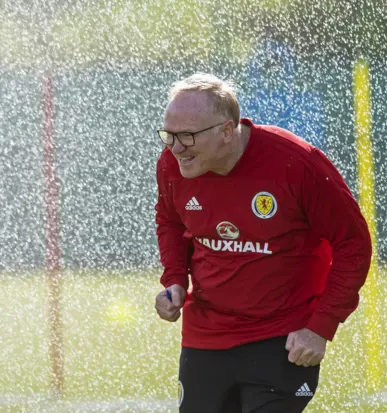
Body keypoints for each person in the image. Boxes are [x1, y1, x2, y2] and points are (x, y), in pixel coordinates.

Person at [153, 73, 372, 413]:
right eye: (168, 134)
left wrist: (320, 328)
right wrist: (175, 280)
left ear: (226, 131)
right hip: (205, 335)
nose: (175, 146)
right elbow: (170, 219)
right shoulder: (173, 164)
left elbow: (353, 244)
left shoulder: (297, 163)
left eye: (186, 136)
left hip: (282, 339)